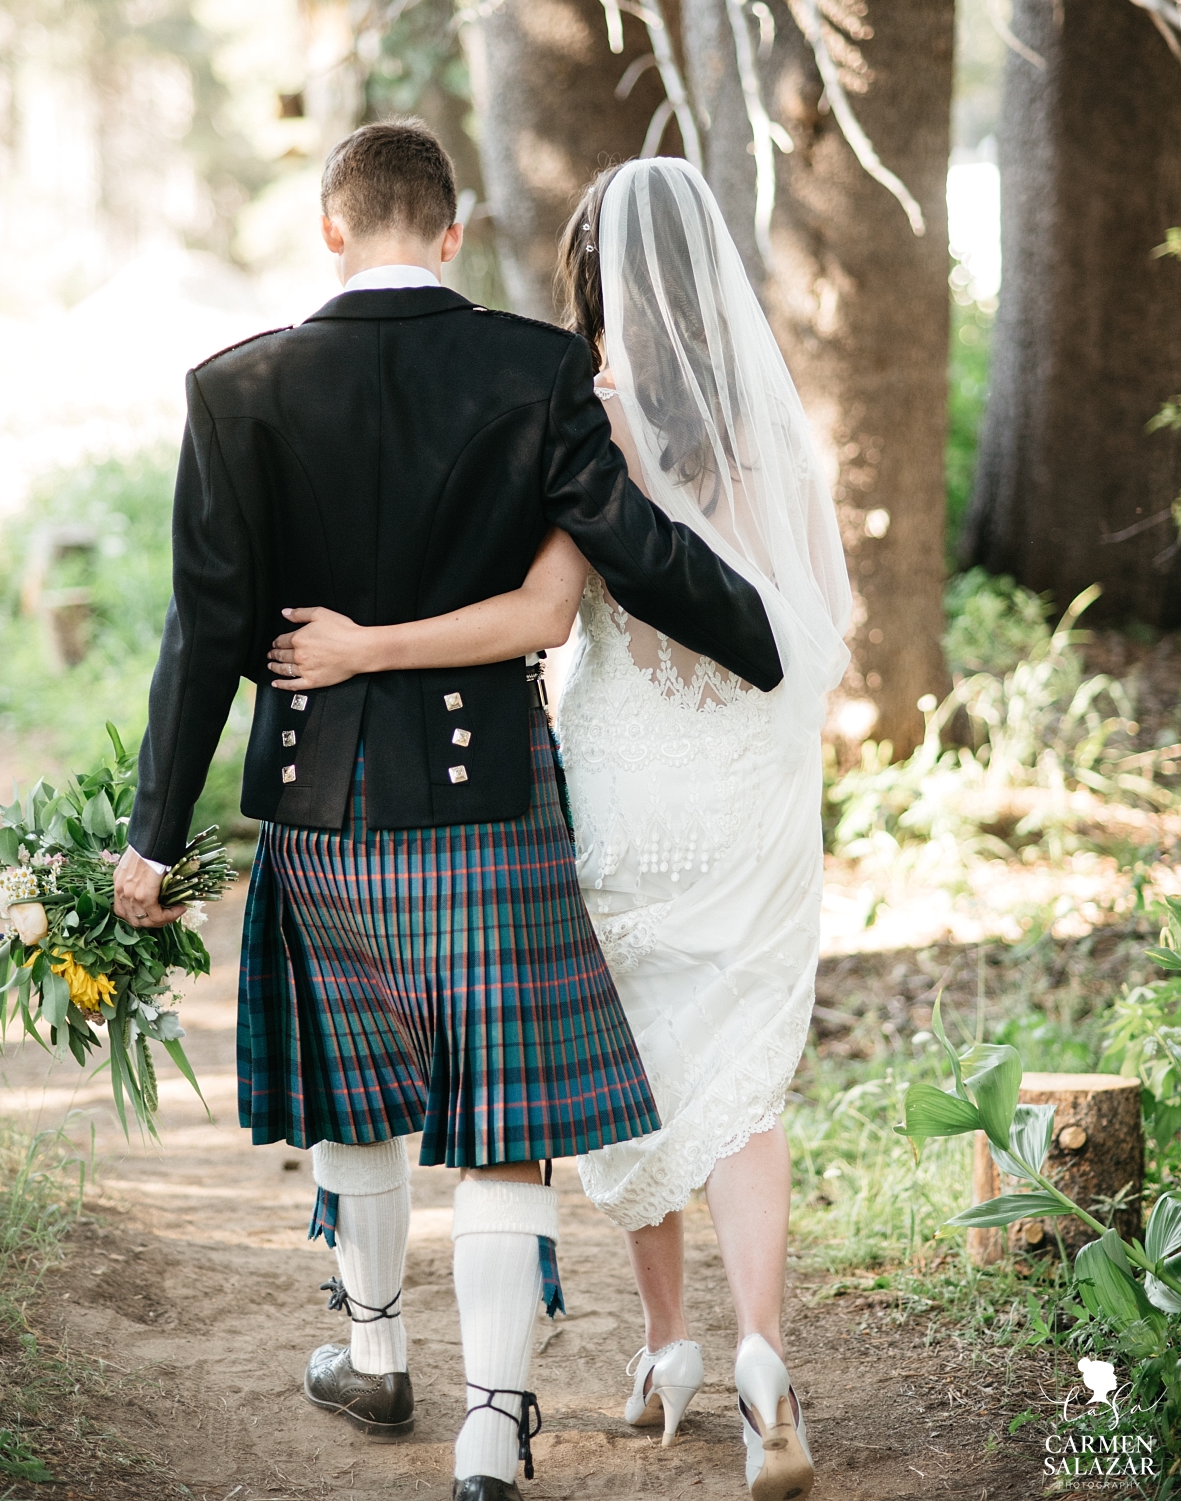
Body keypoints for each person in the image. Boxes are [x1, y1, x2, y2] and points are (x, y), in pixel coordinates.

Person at [111, 125, 784, 1501]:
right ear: (455, 231)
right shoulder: (536, 367)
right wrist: (764, 640)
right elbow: (633, 548)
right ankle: (492, 1427)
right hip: (490, 802)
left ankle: (373, 1351)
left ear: (329, 228)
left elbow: (207, 631)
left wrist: (152, 830)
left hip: (324, 804)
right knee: (498, 1111)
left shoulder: (236, 388)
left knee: (359, 1095)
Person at [268, 158, 850, 1501]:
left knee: (620, 1055)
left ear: (591, 278)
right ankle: (765, 1352)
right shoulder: (768, 418)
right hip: (754, 771)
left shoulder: (587, 415)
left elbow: (542, 614)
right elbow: (817, 618)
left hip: (623, 766)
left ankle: (667, 1344)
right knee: (741, 1077)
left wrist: (367, 649)